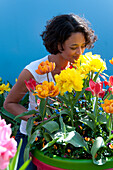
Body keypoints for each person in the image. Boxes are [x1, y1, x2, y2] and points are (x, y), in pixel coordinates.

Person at [3, 13, 97, 169]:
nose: (80, 52)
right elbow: (9, 103)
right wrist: (40, 121)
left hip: (69, 138)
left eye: (83, 46)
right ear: (59, 45)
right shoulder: (33, 71)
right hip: (32, 138)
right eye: (74, 47)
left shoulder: (83, 68)